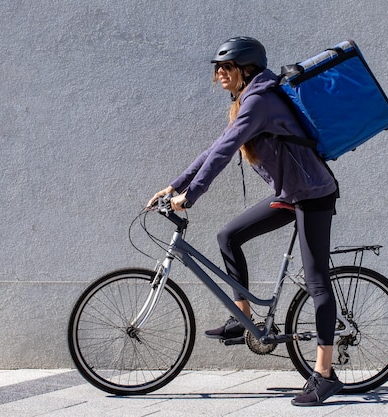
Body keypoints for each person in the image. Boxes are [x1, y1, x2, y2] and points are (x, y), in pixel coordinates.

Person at [147, 36, 343, 406]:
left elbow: (223, 151)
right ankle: (243, 319)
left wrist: (192, 194)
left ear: (246, 69)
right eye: (217, 68)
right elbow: (215, 147)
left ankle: (325, 374)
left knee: (316, 280)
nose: (220, 73)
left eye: (227, 67)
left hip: (313, 195)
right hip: (290, 195)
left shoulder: (259, 100)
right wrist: (174, 185)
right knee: (228, 236)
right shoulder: (246, 100)